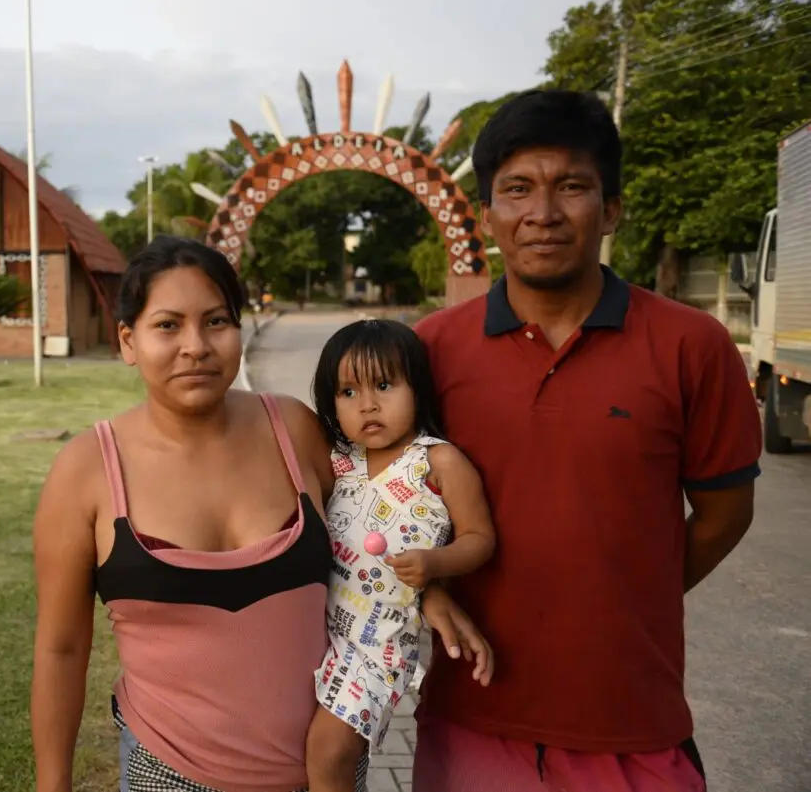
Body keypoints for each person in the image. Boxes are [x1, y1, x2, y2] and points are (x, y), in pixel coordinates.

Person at [30, 235, 492, 792]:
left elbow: (369, 520)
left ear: (240, 332)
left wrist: (429, 586)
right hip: (169, 774)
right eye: (168, 325)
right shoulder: (86, 472)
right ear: (128, 341)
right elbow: (61, 648)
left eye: (217, 321)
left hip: (324, 774)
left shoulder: (293, 431)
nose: (196, 345)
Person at [411, 89, 763, 791]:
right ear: (487, 217)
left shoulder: (691, 346)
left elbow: (725, 515)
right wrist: (429, 594)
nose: (542, 213)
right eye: (516, 189)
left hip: (632, 725)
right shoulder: (427, 352)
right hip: (470, 723)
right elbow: (383, 509)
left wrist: (624, 593)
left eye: (570, 186)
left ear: (610, 209)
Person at [303, 318, 496, 792]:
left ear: (418, 387)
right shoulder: (339, 462)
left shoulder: (439, 461)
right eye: (347, 393)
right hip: (315, 633)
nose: (367, 404)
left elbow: (479, 537)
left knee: (329, 755)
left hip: (380, 642)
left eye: (384, 385)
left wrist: (434, 566)